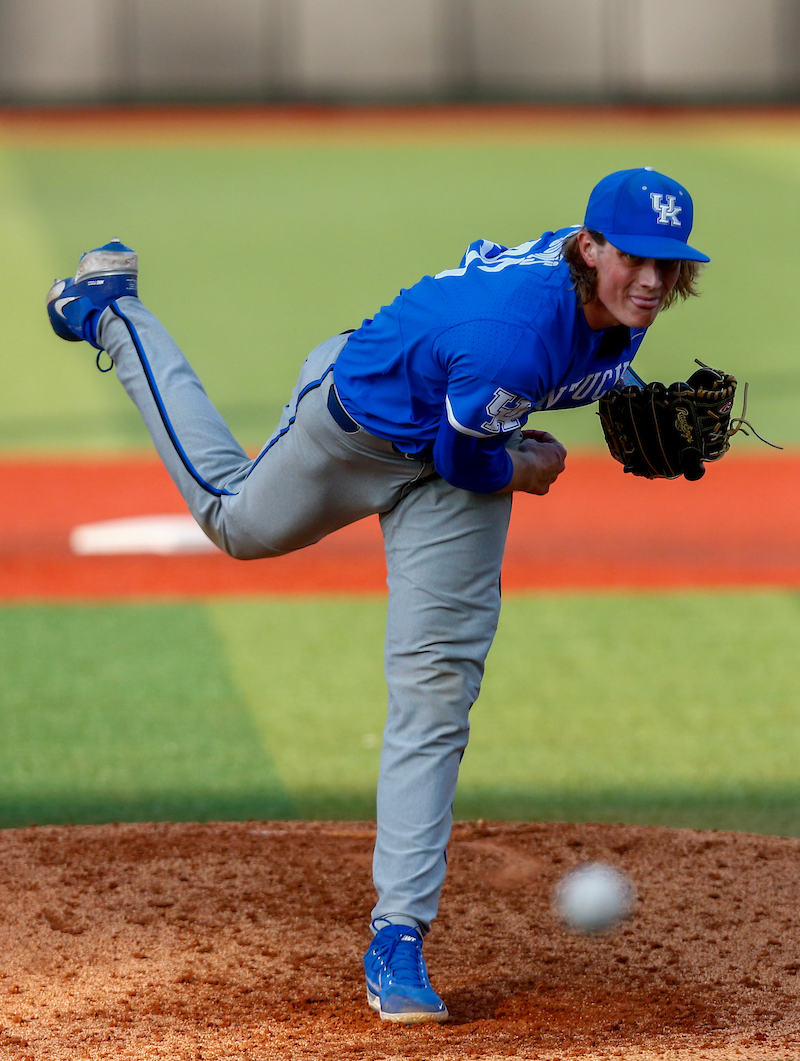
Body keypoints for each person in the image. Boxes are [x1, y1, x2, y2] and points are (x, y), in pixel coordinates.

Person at [46, 166, 709, 1025]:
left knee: (437, 689)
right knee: (235, 522)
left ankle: (398, 935)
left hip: (449, 461)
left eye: (670, 264)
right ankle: (113, 311)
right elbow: (473, 457)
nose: (653, 281)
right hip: (356, 425)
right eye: (636, 259)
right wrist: (530, 473)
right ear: (589, 248)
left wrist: (619, 393)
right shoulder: (514, 333)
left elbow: (475, 445)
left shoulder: (609, 307)